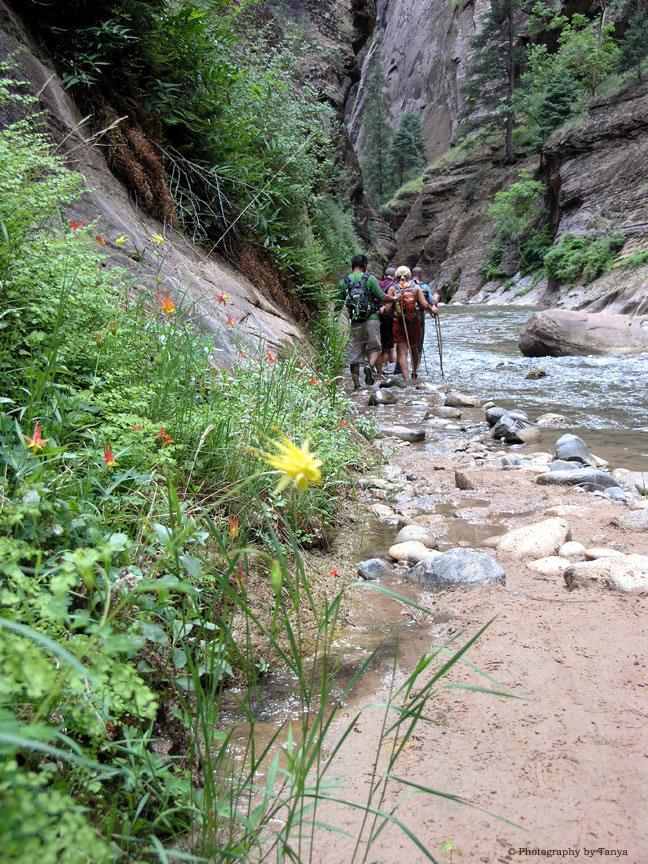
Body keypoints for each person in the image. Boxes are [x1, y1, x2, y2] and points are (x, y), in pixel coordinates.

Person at [335, 254, 395, 389]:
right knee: (374, 348)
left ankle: (356, 385)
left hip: (355, 321)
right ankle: (370, 366)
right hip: (371, 319)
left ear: (352, 266)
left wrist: (334, 317)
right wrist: (394, 299)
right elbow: (381, 297)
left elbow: (338, 304)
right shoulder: (369, 279)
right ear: (365, 266)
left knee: (354, 354)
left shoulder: (344, 281)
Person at [387, 265, 437, 381]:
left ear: (396, 276)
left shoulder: (393, 289)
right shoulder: (415, 288)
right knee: (414, 347)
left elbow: (387, 309)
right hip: (414, 323)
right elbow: (424, 305)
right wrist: (433, 310)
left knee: (402, 352)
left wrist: (382, 310)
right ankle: (414, 373)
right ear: (409, 276)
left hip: (398, 323)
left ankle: (406, 379)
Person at [378, 266, 397, 374]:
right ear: (394, 277)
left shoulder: (378, 284)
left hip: (376, 316)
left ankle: (378, 367)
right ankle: (383, 369)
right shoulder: (394, 287)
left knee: (379, 344)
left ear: (384, 276)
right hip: (389, 317)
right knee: (389, 346)